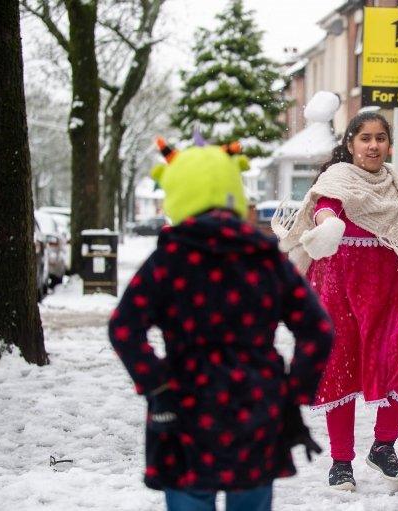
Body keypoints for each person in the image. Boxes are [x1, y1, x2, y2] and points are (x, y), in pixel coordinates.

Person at [108, 139, 334, 511]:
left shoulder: (168, 260)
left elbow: (123, 328)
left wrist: (156, 383)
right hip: (256, 403)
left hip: (184, 403)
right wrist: (294, 391)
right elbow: (317, 329)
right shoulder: (264, 258)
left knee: (190, 498)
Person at [272, 111, 398, 491]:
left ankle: (384, 447)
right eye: (365, 138)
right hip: (340, 288)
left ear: (388, 144)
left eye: (380, 138)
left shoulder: (394, 183)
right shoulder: (337, 179)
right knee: (340, 369)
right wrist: (328, 225)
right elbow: (326, 207)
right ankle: (341, 461)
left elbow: (397, 219)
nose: (373, 145)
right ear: (350, 144)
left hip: (389, 288)